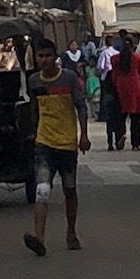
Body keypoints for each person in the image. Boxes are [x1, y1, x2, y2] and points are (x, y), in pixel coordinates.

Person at [23, 36, 90, 257]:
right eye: (40, 56)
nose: (44, 60)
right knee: (42, 190)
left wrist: (84, 135)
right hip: (44, 143)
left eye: (47, 56)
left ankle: (71, 232)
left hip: (67, 144)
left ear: (55, 57)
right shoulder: (34, 81)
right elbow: (34, 109)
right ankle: (39, 238)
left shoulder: (69, 79)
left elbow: (81, 106)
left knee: (69, 190)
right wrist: (33, 132)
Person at [110, 34, 140, 151]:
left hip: (121, 87)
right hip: (135, 87)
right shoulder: (137, 58)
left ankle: (121, 135)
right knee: (136, 118)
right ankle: (135, 144)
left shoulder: (115, 59)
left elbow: (114, 75)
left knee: (120, 117)